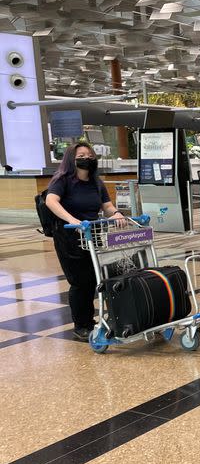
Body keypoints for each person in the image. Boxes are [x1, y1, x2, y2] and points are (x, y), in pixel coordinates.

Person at [45, 143, 125, 341]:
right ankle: (82, 325)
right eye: (81, 155)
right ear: (71, 158)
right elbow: (51, 200)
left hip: (93, 234)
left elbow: (106, 205)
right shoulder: (63, 180)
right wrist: (72, 220)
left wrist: (115, 214)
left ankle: (107, 318)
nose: (86, 158)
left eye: (89, 155)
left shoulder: (96, 182)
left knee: (98, 277)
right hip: (69, 237)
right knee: (81, 281)